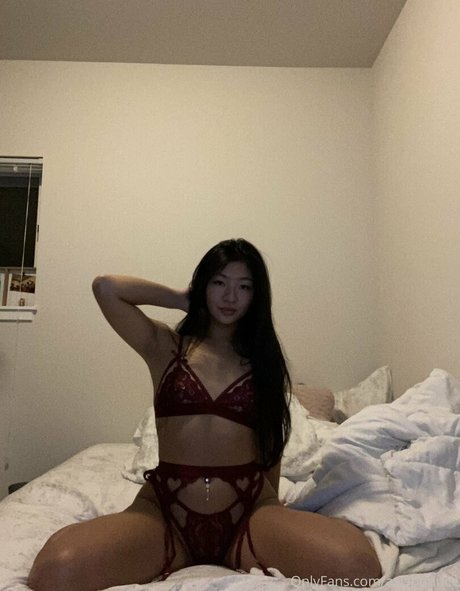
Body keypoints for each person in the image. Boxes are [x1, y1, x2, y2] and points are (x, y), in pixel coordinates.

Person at [28, 239, 381, 591]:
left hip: (247, 513)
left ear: (256, 296)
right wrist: (182, 299)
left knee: (359, 566)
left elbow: (271, 439)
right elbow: (106, 289)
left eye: (244, 287)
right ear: (203, 286)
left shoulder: (264, 362)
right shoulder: (164, 347)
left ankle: (237, 550)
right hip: (166, 515)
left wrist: (274, 512)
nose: (230, 296)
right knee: (53, 571)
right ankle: (180, 552)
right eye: (219, 283)